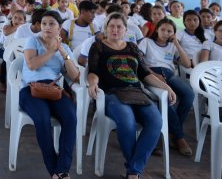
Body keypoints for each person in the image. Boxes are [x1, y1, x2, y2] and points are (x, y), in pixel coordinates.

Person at [87, 12, 176, 179]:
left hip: (136, 93)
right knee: (127, 121)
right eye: (111, 26)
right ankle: (134, 172)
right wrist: (92, 83)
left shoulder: (133, 47)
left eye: (119, 26)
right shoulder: (98, 46)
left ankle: (133, 168)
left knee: (156, 122)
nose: (115, 29)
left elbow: (145, 73)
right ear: (105, 28)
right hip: (112, 94)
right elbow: (93, 72)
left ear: (125, 30)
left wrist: (166, 87)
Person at [19, 10, 79, 179]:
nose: (46, 27)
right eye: (44, 23)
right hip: (31, 90)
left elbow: (75, 76)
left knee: (70, 118)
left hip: (53, 91)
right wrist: (52, 51)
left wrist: (63, 53)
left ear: (59, 28)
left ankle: (62, 170)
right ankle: (56, 170)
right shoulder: (33, 41)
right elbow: (32, 65)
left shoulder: (64, 48)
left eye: (52, 24)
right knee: (42, 119)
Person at [138, 18, 194, 156]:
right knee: (167, 98)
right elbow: (138, 60)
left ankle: (173, 132)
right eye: (162, 29)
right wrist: (153, 74)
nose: (165, 33)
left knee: (189, 94)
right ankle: (179, 137)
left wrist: (177, 44)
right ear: (157, 29)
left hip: (169, 74)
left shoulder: (172, 46)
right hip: (151, 74)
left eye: (170, 31)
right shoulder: (147, 42)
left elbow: (187, 64)